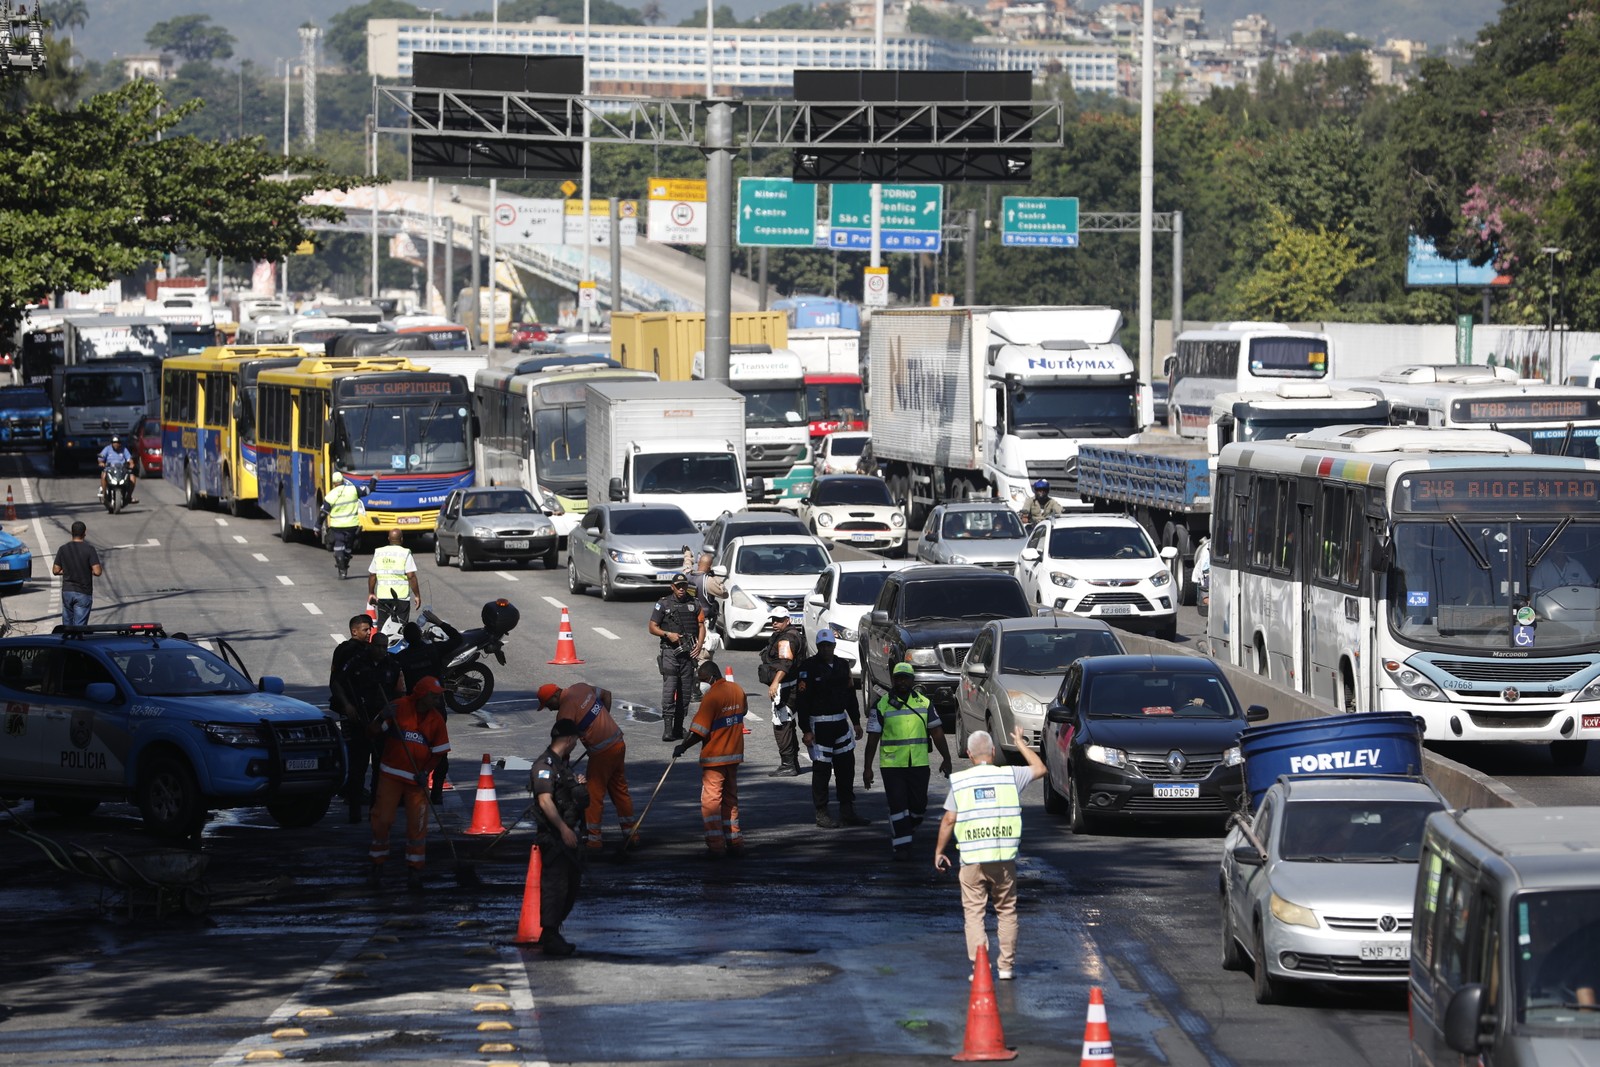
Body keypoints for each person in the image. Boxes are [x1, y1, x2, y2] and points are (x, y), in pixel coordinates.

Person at [934, 726, 1046, 981]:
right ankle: (1006, 967)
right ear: (994, 753)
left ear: (969, 754)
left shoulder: (961, 782)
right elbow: (1040, 769)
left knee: (974, 913)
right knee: (1006, 910)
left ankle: (980, 967)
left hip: (972, 859)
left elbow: (949, 819)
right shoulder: (1009, 776)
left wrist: (939, 851)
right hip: (1003, 858)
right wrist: (1020, 744)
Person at [366, 675, 451, 893]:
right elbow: (373, 732)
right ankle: (377, 864)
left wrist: (425, 771)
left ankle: (415, 870)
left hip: (416, 780)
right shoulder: (397, 708)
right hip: (391, 775)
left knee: (417, 825)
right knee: (382, 820)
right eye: (434, 697)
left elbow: (439, 753)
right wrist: (381, 717)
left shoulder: (436, 720)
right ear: (423, 696)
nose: (437, 701)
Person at [863, 661, 951, 859]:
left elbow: (936, 732)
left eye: (905, 678)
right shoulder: (881, 705)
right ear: (893, 680)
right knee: (897, 805)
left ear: (912, 680)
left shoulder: (924, 703)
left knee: (919, 806)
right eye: (898, 678)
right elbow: (873, 739)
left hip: (919, 764)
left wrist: (946, 758)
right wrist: (867, 768)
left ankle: (903, 829)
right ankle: (902, 847)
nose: (901, 682)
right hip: (892, 765)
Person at [538, 681, 638, 850]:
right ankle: (631, 834)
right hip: (618, 743)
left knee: (592, 795)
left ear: (555, 696)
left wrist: (561, 765)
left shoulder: (565, 712)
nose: (549, 708)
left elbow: (565, 742)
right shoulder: (581, 687)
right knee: (620, 791)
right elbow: (607, 694)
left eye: (548, 704)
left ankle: (594, 840)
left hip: (602, 753)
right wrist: (603, 721)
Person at [795, 629, 869, 829]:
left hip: (840, 723)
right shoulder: (808, 668)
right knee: (822, 771)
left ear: (834, 645)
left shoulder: (842, 666)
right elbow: (802, 701)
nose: (826, 648)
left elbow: (850, 697)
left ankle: (847, 811)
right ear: (818, 647)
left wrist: (855, 721)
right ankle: (822, 812)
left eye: (829, 645)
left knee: (846, 768)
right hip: (819, 724)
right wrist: (806, 730)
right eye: (823, 645)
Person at [673, 661, 747, 858]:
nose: (701, 684)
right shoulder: (737, 689)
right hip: (734, 755)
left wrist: (682, 747)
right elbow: (743, 712)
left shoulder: (712, 696)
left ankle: (716, 844)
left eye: (703, 680)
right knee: (730, 799)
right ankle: (734, 839)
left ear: (711, 677)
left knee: (711, 801)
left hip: (715, 757)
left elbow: (699, 730)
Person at [530, 718, 588, 957]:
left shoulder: (561, 767)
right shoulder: (545, 765)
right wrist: (563, 829)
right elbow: (544, 801)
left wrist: (577, 784)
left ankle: (552, 933)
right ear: (570, 739)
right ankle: (550, 934)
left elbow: (566, 793)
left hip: (566, 834)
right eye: (575, 740)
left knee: (570, 886)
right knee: (556, 887)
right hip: (553, 836)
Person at [648, 574, 704, 743]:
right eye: (678, 586)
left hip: (688, 654)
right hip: (670, 652)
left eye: (684, 586)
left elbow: (701, 625)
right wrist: (668, 634)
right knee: (670, 687)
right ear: (672, 586)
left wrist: (700, 644)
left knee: (685, 691)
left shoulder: (694, 604)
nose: (681, 589)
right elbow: (652, 627)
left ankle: (679, 728)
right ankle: (667, 729)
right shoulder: (664, 604)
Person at [759, 610, 804, 777]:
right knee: (788, 723)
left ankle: (788, 764)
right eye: (773, 620)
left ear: (787, 620)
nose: (775, 623)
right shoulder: (789, 635)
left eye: (778, 620)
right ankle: (793, 762)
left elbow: (785, 663)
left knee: (781, 725)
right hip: (791, 685)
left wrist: (776, 683)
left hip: (786, 688)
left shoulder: (787, 638)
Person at [319, 471, 373, 580]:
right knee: (348, 548)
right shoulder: (353, 490)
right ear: (343, 480)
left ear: (334, 483)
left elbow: (323, 512)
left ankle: (342, 569)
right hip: (352, 526)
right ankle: (344, 566)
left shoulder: (330, 495)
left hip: (337, 527)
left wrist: (317, 526)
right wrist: (375, 479)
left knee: (338, 546)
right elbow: (368, 490)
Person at [368, 530, 421, 635]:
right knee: (401, 628)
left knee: (383, 627)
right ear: (402, 539)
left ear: (388, 539)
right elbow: (411, 576)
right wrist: (417, 595)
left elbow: (372, 575)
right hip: (401, 598)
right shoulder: (405, 553)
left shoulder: (379, 552)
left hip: (383, 597)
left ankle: (382, 648)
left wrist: (371, 593)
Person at [52, 520, 102, 628]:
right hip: (83, 592)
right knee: (79, 628)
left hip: (67, 592)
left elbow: (55, 570)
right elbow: (97, 571)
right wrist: (87, 570)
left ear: (72, 532)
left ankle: (67, 643)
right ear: (85, 533)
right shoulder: (89, 549)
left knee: (67, 626)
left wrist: (68, 570)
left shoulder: (63, 549)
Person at [681, 549, 726, 666]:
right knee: (704, 657)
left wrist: (687, 555)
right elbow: (724, 592)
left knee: (688, 654)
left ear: (699, 563)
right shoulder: (708, 581)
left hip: (687, 622)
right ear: (710, 566)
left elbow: (686, 565)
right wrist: (715, 576)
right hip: (704, 623)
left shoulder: (687, 575)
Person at [97, 434, 137, 504]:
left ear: (120, 443)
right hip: (110, 469)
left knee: (132, 478)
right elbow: (101, 458)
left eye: (117, 443)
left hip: (122, 469)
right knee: (103, 475)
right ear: (111, 443)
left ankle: (129, 496)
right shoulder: (107, 449)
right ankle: (104, 494)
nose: (116, 444)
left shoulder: (124, 449)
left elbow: (129, 459)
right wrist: (101, 463)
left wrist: (131, 464)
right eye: (114, 443)